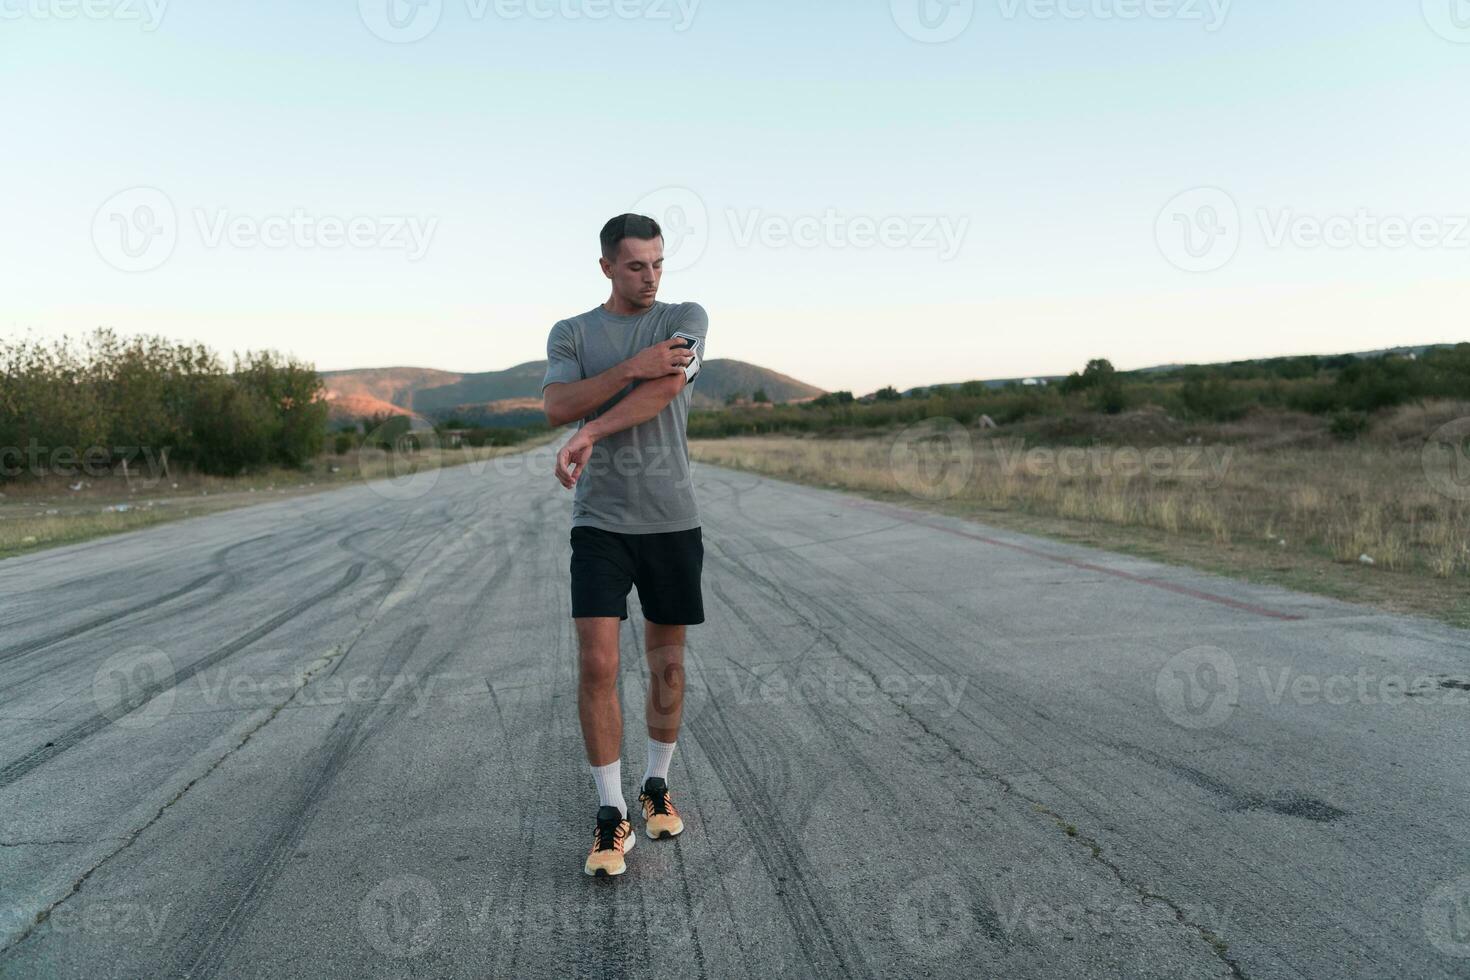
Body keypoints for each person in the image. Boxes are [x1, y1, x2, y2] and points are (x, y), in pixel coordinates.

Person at [541, 213, 709, 878]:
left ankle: (655, 784)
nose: (650, 278)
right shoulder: (573, 332)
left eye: (659, 263)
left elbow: (667, 389)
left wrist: (593, 430)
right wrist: (632, 364)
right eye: (637, 265)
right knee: (597, 665)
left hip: (670, 519)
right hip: (600, 523)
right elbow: (556, 405)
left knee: (667, 666)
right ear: (607, 265)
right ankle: (611, 816)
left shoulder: (687, 315)